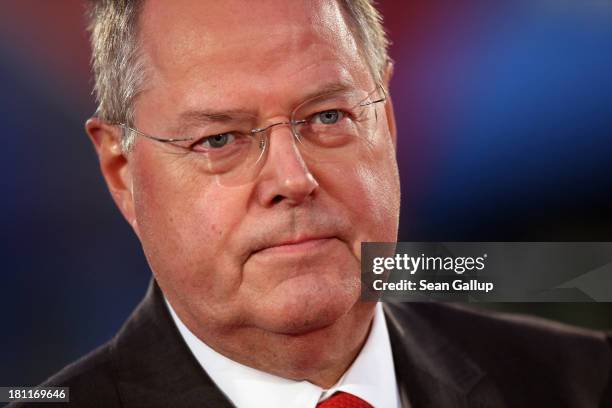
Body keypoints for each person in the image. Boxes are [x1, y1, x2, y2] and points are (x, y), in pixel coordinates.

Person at [11, 0, 611, 407]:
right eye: (219, 139)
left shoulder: (583, 379)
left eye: (329, 117)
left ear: (389, 125)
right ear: (121, 172)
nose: (293, 179)